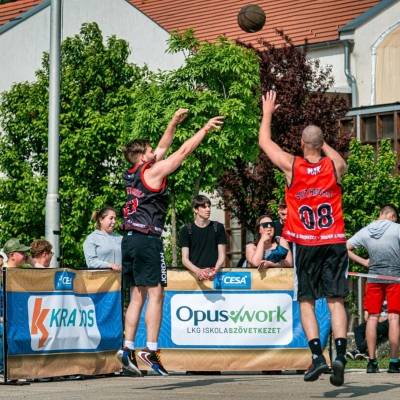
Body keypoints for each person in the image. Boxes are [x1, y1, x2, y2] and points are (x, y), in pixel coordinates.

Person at [117, 108, 224, 376]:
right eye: (150, 151)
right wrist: (204, 129)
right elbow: (182, 152)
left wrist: (174, 122)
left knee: (136, 295)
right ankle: (151, 350)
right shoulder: (153, 173)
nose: (155, 152)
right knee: (157, 294)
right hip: (147, 239)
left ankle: (127, 349)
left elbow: (164, 146)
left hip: (129, 240)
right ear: (143, 156)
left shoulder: (134, 173)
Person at [259, 91, 348, 386]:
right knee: (336, 301)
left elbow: (265, 142)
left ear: (301, 144)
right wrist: (323, 144)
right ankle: (340, 353)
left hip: (307, 244)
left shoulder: (292, 166)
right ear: (321, 144)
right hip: (333, 241)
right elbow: (341, 163)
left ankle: (317, 356)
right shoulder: (333, 166)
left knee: (306, 300)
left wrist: (268, 113)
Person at [347, 204, 400, 373]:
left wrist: (364, 262)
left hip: (373, 278)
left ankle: (371, 362)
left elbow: (346, 247)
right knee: (394, 317)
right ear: (392, 216)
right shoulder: (397, 229)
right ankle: (394, 362)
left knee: (372, 318)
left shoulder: (366, 230)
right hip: (395, 277)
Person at [179, 195, 227, 281]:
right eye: (204, 207)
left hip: (214, 276)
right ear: (195, 209)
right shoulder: (186, 230)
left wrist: (215, 270)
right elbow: (184, 259)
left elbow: (222, 255)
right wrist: (198, 271)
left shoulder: (218, 227)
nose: (208, 209)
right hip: (193, 277)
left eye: (209, 206)